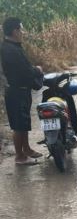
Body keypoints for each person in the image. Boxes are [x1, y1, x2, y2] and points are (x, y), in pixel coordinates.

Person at [1, 17, 43, 165]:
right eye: (21, 29)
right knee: (18, 126)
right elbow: (25, 71)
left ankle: (27, 149)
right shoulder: (9, 50)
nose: (22, 32)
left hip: (21, 91)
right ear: (14, 31)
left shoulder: (13, 46)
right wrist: (37, 70)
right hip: (16, 92)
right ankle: (20, 157)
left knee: (24, 122)